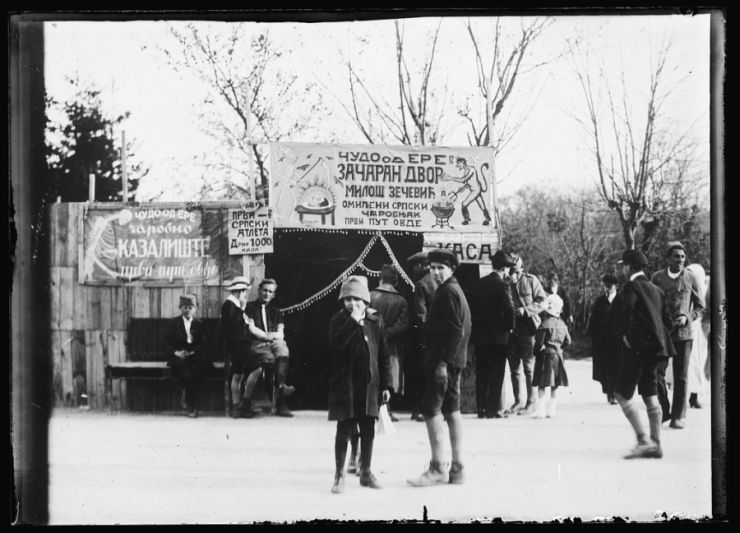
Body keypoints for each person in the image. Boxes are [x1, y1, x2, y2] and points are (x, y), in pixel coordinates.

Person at [408, 248, 471, 487]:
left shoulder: (448, 293)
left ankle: (437, 468)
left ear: (451, 269)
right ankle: (457, 468)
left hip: (443, 363)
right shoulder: (453, 289)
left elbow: (456, 331)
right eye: (432, 268)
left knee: (431, 411)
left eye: (440, 268)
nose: (435, 272)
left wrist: (443, 364)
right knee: (452, 411)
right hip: (453, 362)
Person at [327, 276, 392, 494]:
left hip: (370, 385)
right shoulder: (339, 320)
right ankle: (339, 475)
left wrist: (386, 384)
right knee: (344, 429)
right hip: (346, 385)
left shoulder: (376, 321)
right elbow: (335, 347)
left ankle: (366, 472)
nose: (352, 304)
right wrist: (352, 321)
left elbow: (383, 354)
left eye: (357, 299)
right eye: (348, 299)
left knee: (368, 428)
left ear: (365, 301)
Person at [614, 249, 675, 459]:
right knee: (650, 394)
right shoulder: (656, 289)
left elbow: (627, 311)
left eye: (623, 265)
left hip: (637, 349)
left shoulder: (631, 286)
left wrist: (626, 336)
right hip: (655, 350)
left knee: (621, 393)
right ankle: (656, 443)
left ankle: (643, 441)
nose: (622, 269)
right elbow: (668, 322)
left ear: (628, 267)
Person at [650, 241, 705, 429]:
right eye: (676, 256)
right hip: (662, 334)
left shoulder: (690, 277)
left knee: (681, 376)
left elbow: (700, 307)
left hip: (684, 334)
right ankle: (664, 411)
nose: (680, 260)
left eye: (682, 257)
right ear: (668, 259)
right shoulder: (657, 278)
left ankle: (678, 416)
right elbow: (651, 303)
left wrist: (687, 317)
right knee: (657, 373)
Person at [469, 250, 516, 419]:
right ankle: (493, 409)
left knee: (481, 372)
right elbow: (510, 310)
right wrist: (510, 328)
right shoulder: (503, 286)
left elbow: (471, 310)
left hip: (480, 337)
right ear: (504, 268)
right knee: (497, 373)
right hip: (498, 338)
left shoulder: (477, 284)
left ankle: (481, 408)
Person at [244, 278, 296, 417]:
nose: (267, 294)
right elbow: (252, 329)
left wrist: (272, 337)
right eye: (265, 290)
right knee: (271, 360)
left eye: (270, 292)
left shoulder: (276, 311)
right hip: (257, 343)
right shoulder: (249, 307)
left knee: (283, 350)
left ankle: (281, 391)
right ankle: (280, 400)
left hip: (274, 342)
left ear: (273, 295)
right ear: (259, 291)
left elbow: (281, 334)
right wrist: (267, 336)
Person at [506, 254, 547, 415]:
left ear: (522, 269)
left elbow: (543, 301)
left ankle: (531, 402)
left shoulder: (531, 280)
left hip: (528, 329)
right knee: (514, 368)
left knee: (529, 367)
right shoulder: (505, 283)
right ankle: (518, 401)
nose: (513, 275)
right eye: (511, 271)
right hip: (511, 330)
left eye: (516, 271)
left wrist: (527, 310)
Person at [162, 294, 213, 418]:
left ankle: (194, 404)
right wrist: (176, 352)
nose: (188, 310)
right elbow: (165, 342)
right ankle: (192, 406)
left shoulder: (199, 324)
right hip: (179, 357)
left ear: (196, 309)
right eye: (185, 307)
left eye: (191, 308)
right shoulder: (174, 323)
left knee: (202, 369)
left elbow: (204, 343)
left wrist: (193, 352)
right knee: (187, 374)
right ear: (180, 308)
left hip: (194, 356)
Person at [369, 265, 409, 422]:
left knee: (373, 373)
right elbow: (403, 323)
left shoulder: (370, 296)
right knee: (389, 375)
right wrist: (386, 334)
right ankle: (386, 409)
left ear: (380, 279)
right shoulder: (401, 301)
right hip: (392, 346)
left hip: (372, 342)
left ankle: (372, 409)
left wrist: (377, 333)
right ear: (396, 282)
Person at [220, 276, 262, 418]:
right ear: (238, 291)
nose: (246, 294)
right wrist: (243, 308)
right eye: (244, 291)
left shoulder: (235, 305)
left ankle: (236, 407)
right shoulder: (229, 305)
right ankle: (245, 403)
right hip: (237, 343)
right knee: (257, 369)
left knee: (237, 374)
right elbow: (235, 325)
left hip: (240, 343)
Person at [405, 251, 438, 422]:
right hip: (439, 335)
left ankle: (420, 409)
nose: (412, 271)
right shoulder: (439, 281)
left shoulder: (421, 284)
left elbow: (420, 315)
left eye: (413, 267)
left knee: (421, 373)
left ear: (419, 266)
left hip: (425, 337)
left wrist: (420, 336)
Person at [532, 293, 570, 419]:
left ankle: (540, 411)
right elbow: (568, 341)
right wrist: (559, 347)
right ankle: (551, 410)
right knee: (555, 385)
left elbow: (539, 342)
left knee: (542, 384)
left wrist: (535, 352)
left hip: (546, 356)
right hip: (558, 356)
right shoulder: (563, 324)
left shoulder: (545, 324)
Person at [588, 274, 623, 404]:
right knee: (603, 368)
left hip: (617, 342)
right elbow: (593, 322)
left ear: (616, 286)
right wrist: (595, 336)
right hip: (602, 342)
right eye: (605, 286)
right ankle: (608, 390)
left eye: (609, 286)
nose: (607, 289)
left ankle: (612, 393)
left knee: (616, 367)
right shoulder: (600, 301)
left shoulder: (622, 301)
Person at [684, 263, 710, 409]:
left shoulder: (706, 291)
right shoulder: (686, 288)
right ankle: (689, 395)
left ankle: (695, 396)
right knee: (690, 363)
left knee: (700, 362)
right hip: (689, 328)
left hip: (702, 331)